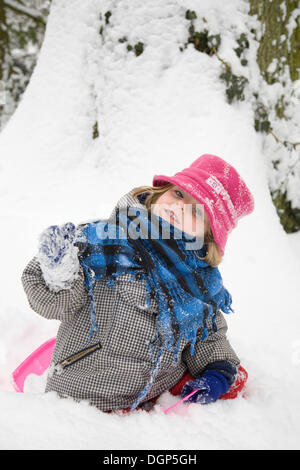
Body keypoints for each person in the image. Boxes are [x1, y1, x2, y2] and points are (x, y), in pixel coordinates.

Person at [21, 154, 254, 413]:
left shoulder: (197, 277)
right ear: (160, 191)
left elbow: (205, 333)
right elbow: (55, 306)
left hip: (149, 398)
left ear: (208, 236)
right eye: (178, 194)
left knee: (233, 375)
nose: (179, 207)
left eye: (196, 210)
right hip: (85, 394)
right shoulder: (104, 242)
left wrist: (217, 369)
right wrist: (59, 272)